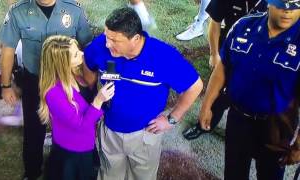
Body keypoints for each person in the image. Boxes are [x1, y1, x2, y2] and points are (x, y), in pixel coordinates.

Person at [83, 7, 203, 180]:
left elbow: (195, 86)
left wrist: (172, 119)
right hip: (109, 131)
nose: (107, 44)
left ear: (136, 38)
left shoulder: (163, 56)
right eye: (107, 36)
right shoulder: (101, 45)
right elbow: (88, 62)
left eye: (114, 40)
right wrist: (92, 89)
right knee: (108, 174)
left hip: (145, 134)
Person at [199, 0, 300, 179]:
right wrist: (206, 104)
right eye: (281, 3)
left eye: (295, 4)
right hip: (238, 119)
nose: (287, 11)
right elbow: (222, 68)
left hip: (277, 128)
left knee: (270, 176)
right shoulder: (243, 25)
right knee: (233, 173)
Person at [0, 0, 93, 179]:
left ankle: (74, 164)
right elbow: (8, 49)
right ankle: (32, 172)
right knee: (33, 129)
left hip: (68, 82)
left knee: (75, 124)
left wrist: (89, 79)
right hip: (35, 80)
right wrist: (6, 85)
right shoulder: (18, 11)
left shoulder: (74, 10)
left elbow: (87, 46)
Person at [182, 0, 268, 140]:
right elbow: (215, 22)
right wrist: (214, 54)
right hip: (230, 52)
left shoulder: (278, 4)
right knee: (218, 94)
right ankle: (203, 125)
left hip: (260, 59)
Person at [38, 35, 114, 180]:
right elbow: (80, 124)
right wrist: (98, 101)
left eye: (78, 50)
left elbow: (90, 110)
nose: (82, 54)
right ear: (62, 63)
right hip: (71, 152)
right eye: (75, 55)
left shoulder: (76, 74)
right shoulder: (53, 92)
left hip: (86, 145)